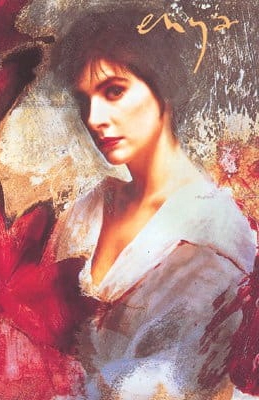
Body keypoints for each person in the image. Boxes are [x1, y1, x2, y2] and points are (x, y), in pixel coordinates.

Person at [50, 7, 257, 400]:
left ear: (164, 86)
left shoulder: (215, 231)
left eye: (114, 91)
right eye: (84, 100)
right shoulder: (88, 208)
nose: (94, 118)